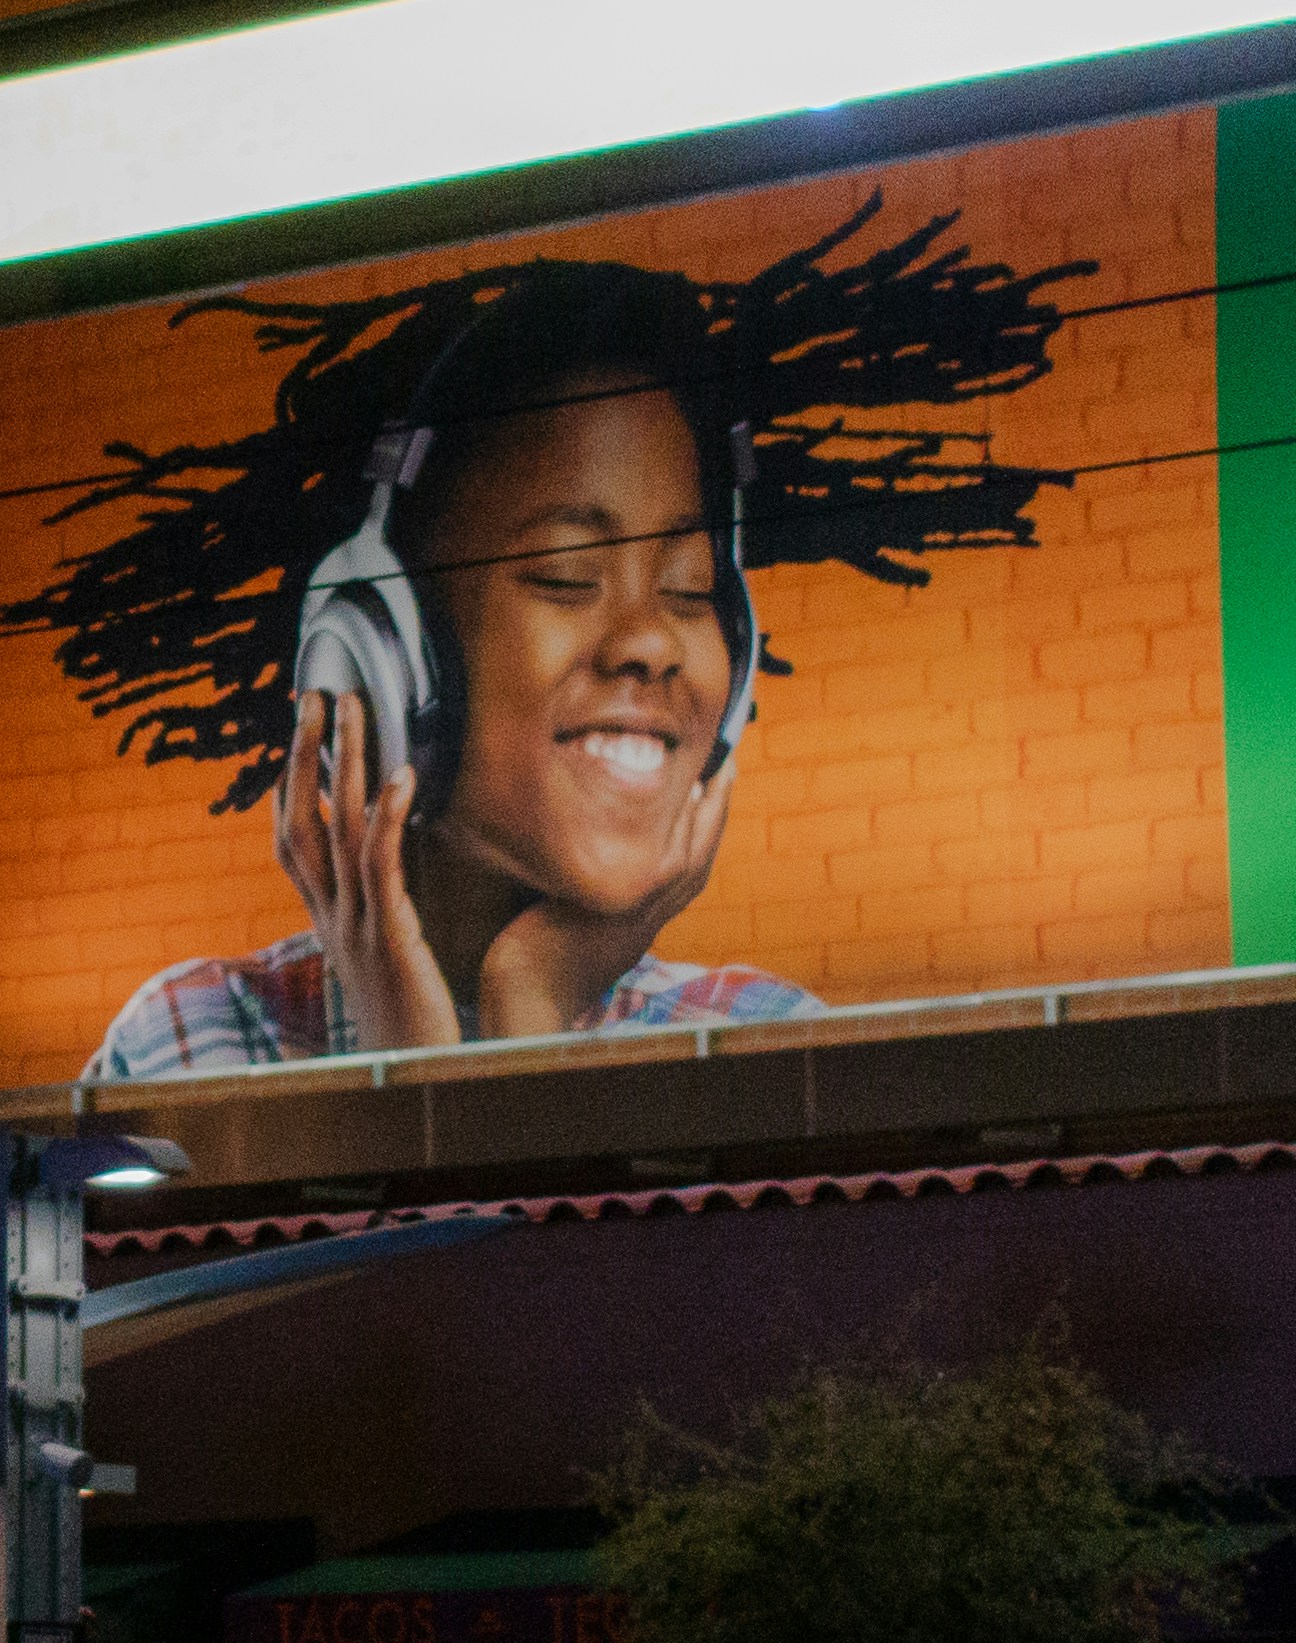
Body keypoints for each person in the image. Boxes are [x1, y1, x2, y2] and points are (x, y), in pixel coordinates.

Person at [92, 273, 817, 1073]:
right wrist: (410, 1079)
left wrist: (531, 998)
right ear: (387, 655)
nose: (651, 641)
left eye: (690, 587)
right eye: (567, 575)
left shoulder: (765, 1042)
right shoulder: (187, 1047)